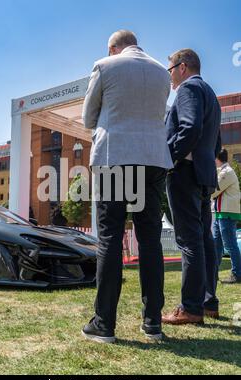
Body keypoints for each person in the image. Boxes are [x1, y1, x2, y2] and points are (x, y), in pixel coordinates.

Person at [81, 30, 173, 343]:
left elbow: (88, 117)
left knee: (109, 236)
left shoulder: (104, 66)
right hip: (153, 159)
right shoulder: (163, 72)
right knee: (150, 240)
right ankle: (153, 323)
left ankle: (104, 324)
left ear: (113, 47)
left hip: (114, 156)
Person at [163, 49, 222, 325]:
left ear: (182, 67)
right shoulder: (210, 94)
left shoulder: (187, 90)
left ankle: (190, 307)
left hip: (185, 173)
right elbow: (217, 144)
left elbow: (189, 128)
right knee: (204, 240)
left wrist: (168, 157)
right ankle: (208, 302)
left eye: (170, 69)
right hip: (204, 174)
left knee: (189, 241)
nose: (170, 75)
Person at [212, 149, 241, 284]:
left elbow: (213, 191)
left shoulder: (226, 172)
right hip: (221, 213)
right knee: (216, 245)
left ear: (217, 158)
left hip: (227, 214)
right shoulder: (223, 171)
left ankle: (237, 274)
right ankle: (213, 273)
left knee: (230, 245)